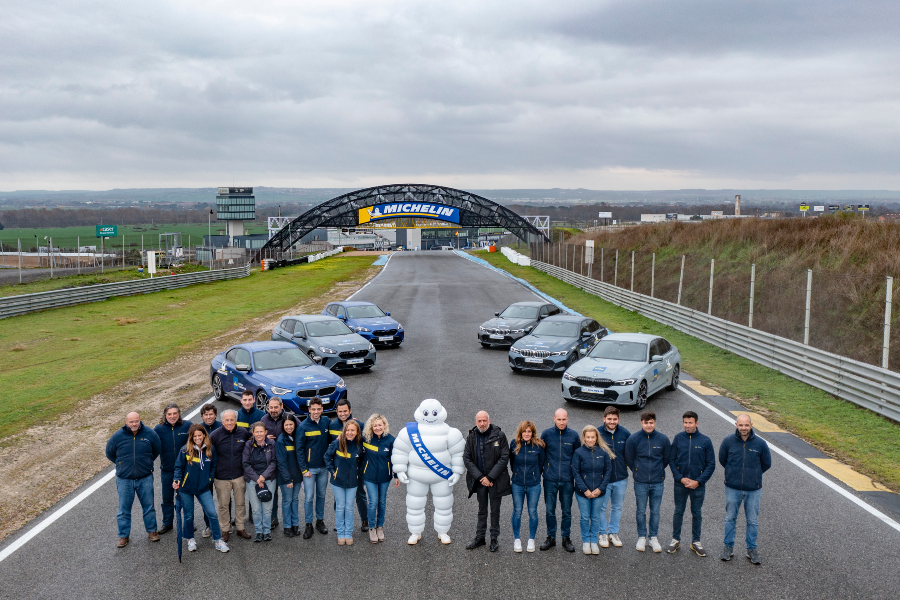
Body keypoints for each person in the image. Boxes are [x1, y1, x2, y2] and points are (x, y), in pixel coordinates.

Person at [719, 414, 771, 565]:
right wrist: (732, 473)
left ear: (751, 425)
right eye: (741, 425)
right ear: (736, 424)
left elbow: (766, 464)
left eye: (746, 425)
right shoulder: (728, 442)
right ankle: (728, 547)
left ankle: (751, 549)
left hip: (753, 489)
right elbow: (723, 460)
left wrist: (753, 475)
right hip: (732, 488)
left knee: (753, 521)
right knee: (730, 519)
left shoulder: (760, 444)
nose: (743, 428)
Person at [105, 411, 161, 548]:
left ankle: (152, 531)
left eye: (136, 421)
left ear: (140, 421)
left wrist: (146, 463)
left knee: (149, 507)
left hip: (145, 477)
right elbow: (110, 453)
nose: (134, 424)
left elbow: (157, 449)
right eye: (131, 422)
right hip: (124, 480)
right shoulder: (117, 436)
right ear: (126, 422)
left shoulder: (150, 434)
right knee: (124, 509)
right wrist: (122, 465)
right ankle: (124, 536)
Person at [173, 424, 229, 553]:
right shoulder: (184, 450)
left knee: (213, 514)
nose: (197, 438)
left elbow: (213, 466)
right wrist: (176, 480)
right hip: (186, 488)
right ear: (191, 437)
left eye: (200, 435)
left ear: (204, 435)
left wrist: (209, 479)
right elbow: (178, 468)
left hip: (203, 488)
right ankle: (190, 539)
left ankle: (218, 540)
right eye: (195, 436)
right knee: (188, 516)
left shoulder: (211, 449)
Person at [667, 410, 716, 557]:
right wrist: (680, 478)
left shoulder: (705, 441)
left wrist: (699, 481)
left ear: (697, 423)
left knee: (697, 513)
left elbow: (711, 464)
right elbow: (671, 460)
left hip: (697, 485)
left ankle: (696, 541)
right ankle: (675, 539)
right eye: (685, 423)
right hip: (680, 483)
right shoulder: (678, 438)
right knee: (678, 511)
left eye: (690, 423)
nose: (687, 425)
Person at [463, 411, 511, 553]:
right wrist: (481, 478)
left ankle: (494, 539)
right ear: (476, 422)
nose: (482, 423)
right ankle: (480, 537)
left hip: (495, 480)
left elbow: (504, 457)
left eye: (484, 420)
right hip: (480, 481)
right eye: (479, 421)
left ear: (489, 420)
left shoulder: (499, 435)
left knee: (495, 511)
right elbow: (467, 459)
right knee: (482, 510)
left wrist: (490, 477)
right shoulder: (472, 437)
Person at [624, 411, 671, 553]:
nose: (648, 425)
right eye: (646, 422)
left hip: (658, 481)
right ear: (641, 423)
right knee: (641, 511)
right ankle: (642, 537)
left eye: (651, 422)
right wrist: (638, 471)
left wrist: (657, 471)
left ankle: (653, 537)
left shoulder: (663, 439)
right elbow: (629, 459)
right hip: (641, 482)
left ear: (655, 423)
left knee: (655, 511)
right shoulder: (633, 439)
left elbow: (666, 459)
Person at [540, 408, 581, 552]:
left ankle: (566, 538)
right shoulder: (546, 434)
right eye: (559, 419)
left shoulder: (574, 436)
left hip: (567, 480)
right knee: (550, 510)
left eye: (564, 419)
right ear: (554, 419)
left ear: (567, 419)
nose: (561, 422)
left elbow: (578, 457)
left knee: (567, 511)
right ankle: (551, 537)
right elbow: (541, 455)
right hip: (550, 479)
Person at [210, 409, 252, 541]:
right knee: (223, 505)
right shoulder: (215, 435)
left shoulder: (243, 432)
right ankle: (225, 530)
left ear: (236, 420)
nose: (229, 422)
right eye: (227, 420)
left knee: (240, 503)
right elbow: (209, 455)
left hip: (239, 475)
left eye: (232, 419)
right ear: (222, 421)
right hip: (221, 477)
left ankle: (240, 528)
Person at [572, 425, 614, 555]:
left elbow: (608, 471)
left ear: (597, 437)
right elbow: (576, 472)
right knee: (585, 517)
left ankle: (593, 541)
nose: (590, 440)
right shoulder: (578, 452)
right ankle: (586, 541)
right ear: (584, 437)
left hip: (599, 492)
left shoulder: (603, 453)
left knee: (595, 517)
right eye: (588, 437)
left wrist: (600, 489)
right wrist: (584, 489)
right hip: (582, 492)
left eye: (593, 437)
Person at [330, 399, 369, 532]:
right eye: (340, 411)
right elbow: (329, 447)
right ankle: (340, 522)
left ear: (350, 411)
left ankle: (365, 520)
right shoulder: (332, 426)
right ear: (336, 412)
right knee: (339, 497)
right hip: (340, 468)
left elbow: (366, 444)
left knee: (360, 493)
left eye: (345, 411)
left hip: (356, 467)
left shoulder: (359, 425)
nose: (343, 414)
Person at [153, 403, 191, 535]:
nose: (172, 416)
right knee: (167, 498)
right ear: (165, 415)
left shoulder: (187, 426)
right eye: (169, 414)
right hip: (167, 470)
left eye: (175, 413)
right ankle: (167, 523)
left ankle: (188, 522)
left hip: (184, 470)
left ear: (179, 414)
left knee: (185, 498)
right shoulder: (158, 429)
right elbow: (152, 447)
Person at [324, 419, 364, 545]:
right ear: (344, 430)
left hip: (352, 481)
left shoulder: (359, 445)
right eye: (348, 430)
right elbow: (327, 457)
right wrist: (332, 471)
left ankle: (348, 533)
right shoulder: (336, 443)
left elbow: (362, 460)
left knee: (349, 507)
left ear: (357, 432)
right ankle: (341, 533)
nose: (350, 432)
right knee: (340, 507)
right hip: (338, 481)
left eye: (353, 430)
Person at [296, 398, 331, 539]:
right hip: (309, 470)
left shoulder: (327, 422)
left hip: (323, 468)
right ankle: (308, 524)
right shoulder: (303, 427)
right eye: (313, 409)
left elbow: (340, 428)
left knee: (321, 496)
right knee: (309, 498)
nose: (316, 412)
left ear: (322, 409)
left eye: (318, 409)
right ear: (309, 409)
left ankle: (320, 522)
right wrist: (304, 469)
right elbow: (299, 450)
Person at [361, 413, 399, 543]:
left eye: (380, 425)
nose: (378, 427)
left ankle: (380, 527)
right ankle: (372, 528)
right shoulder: (365, 438)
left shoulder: (390, 440)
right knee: (373, 502)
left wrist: (396, 475)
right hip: (369, 476)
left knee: (382, 502)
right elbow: (352, 434)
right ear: (371, 426)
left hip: (384, 476)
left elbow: (395, 459)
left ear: (384, 425)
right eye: (375, 425)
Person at [508, 420, 545, 553]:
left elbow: (541, 464)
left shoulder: (539, 445)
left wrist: (534, 475)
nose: (527, 434)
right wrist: (517, 474)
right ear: (520, 432)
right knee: (517, 511)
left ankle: (531, 540)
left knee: (532, 512)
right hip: (517, 484)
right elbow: (512, 463)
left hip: (533, 484)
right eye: (524, 431)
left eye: (529, 431)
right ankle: (517, 539)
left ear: (533, 432)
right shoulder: (514, 444)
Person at [598, 406, 630, 548]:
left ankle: (613, 532)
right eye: (609, 419)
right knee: (601, 507)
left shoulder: (625, 434)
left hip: (621, 478)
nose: (612, 421)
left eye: (615, 419)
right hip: (603, 479)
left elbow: (630, 454)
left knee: (617, 507)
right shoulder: (597, 433)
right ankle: (602, 534)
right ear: (604, 418)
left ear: (618, 419)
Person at [243, 422, 277, 542]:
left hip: (269, 479)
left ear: (266, 432)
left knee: (267, 508)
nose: (259, 434)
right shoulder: (248, 445)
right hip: (253, 480)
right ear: (253, 433)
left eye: (261, 431)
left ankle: (267, 531)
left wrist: (263, 477)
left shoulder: (272, 443)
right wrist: (257, 478)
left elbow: (274, 462)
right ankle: (259, 531)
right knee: (256, 509)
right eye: (256, 432)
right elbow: (245, 464)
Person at [261, 397, 288, 528]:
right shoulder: (264, 420)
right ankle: (273, 518)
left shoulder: (289, 418)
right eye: (271, 407)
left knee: (287, 494)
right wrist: (264, 437)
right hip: (269, 464)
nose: (273, 410)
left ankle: (289, 521)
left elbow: (301, 430)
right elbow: (256, 436)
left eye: (276, 407)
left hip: (286, 463)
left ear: (281, 406)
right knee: (273, 492)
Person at [276, 417, 303, 538]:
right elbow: (281, 462)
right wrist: (288, 479)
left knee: (295, 500)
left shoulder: (297, 437)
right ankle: (287, 526)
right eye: (286, 425)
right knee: (287, 501)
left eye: (291, 424)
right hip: (285, 478)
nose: (289, 427)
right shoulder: (281, 440)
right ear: (283, 426)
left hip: (297, 476)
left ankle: (295, 524)